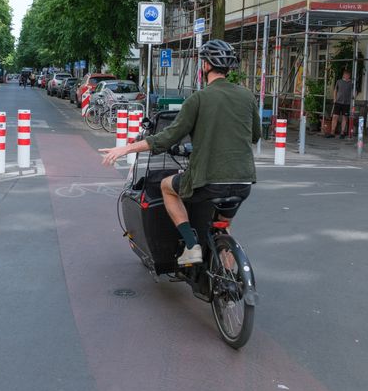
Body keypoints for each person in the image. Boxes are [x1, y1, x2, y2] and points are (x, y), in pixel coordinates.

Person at [100, 40, 260, 265]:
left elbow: (166, 138)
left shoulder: (199, 99)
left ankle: (191, 244)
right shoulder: (247, 97)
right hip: (243, 181)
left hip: (209, 179)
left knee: (167, 186)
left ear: (204, 65)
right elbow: (255, 135)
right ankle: (230, 291)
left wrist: (126, 148)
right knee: (224, 227)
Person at [327, 69, 353, 139]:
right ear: (343, 75)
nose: (346, 76)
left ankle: (342, 132)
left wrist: (352, 99)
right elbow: (335, 90)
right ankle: (332, 132)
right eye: (345, 74)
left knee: (344, 118)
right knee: (335, 117)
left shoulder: (351, 83)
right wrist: (334, 99)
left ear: (349, 76)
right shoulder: (339, 81)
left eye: (347, 75)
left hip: (346, 103)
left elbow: (355, 91)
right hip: (338, 102)